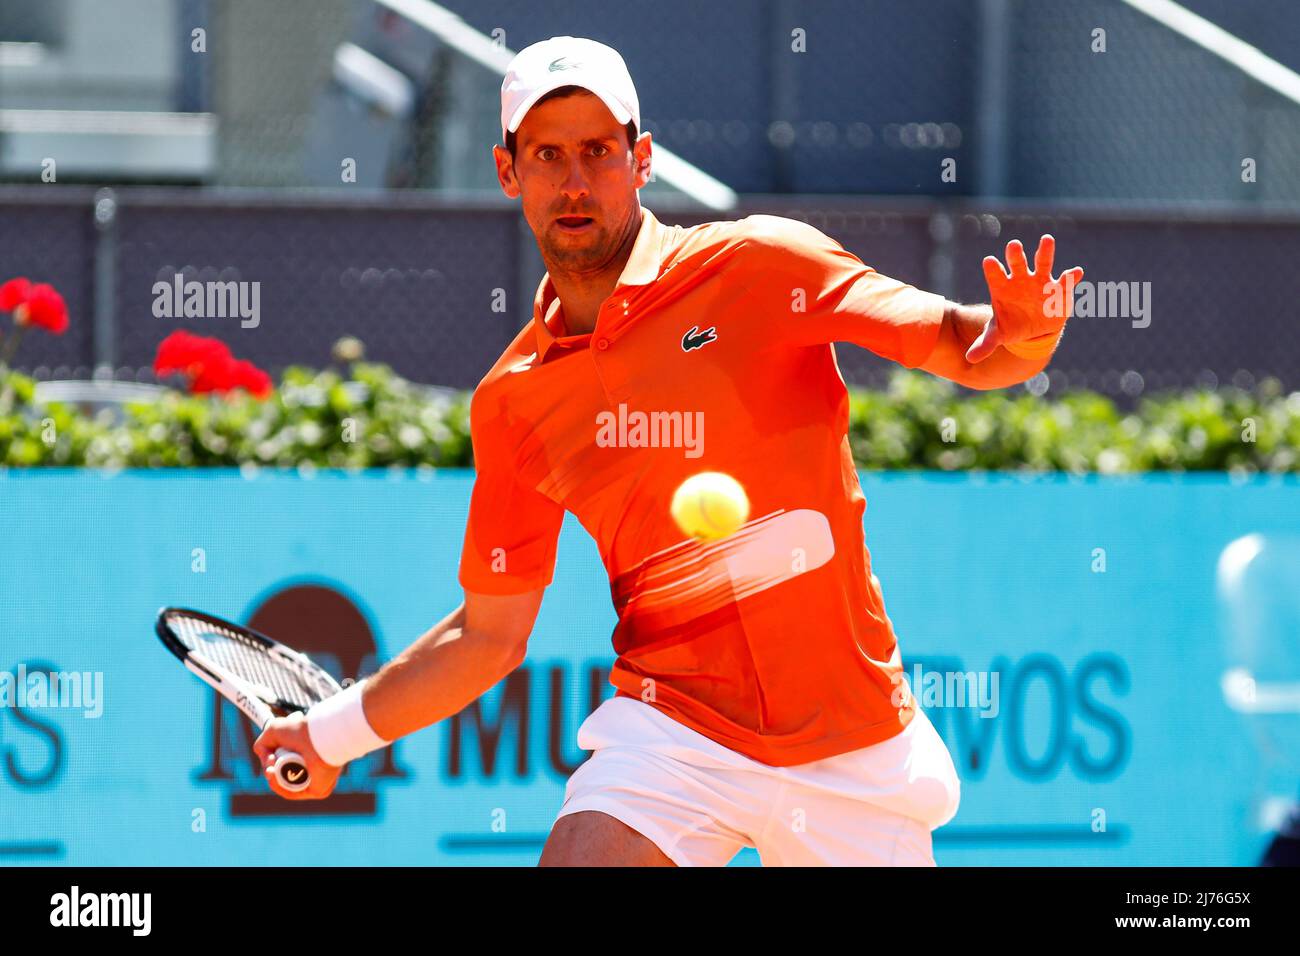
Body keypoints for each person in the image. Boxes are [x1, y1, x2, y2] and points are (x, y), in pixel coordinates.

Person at [254, 35, 1083, 867]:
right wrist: (328, 735)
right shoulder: (514, 402)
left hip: (850, 742)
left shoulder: (763, 265)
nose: (574, 182)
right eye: (547, 155)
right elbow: (487, 635)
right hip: (674, 730)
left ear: (641, 159)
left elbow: (965, 345)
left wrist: (1027, 333)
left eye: (598, 152)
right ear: (509, 172)